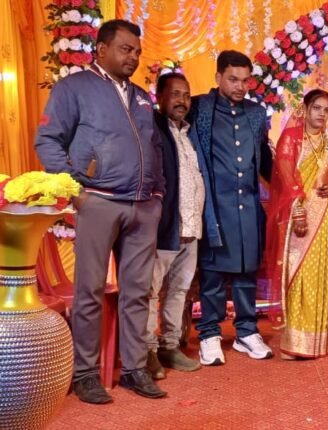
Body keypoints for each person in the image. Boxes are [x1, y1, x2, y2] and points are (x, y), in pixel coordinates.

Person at [35, 19, 166, 403]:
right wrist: (75, 191)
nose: (133, 57)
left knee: (137, 292)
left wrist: (157, 194)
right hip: (98, 201)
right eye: (126, 49)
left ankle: (135, 369)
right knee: (89, 290)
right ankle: (86, 373)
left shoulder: (141, 97)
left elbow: (155, 148)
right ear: (102, 49)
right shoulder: (74, 88)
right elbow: (48, 140)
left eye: (137, 51)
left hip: (143, 206)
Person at [190, 50, 273, 366]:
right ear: (218, 78)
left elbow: (264, 158)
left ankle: (246, 332)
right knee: (212, 275)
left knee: (246, 273)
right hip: (215, 206)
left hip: (248, 207)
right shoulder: (200, 107)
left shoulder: (256, 113)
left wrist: (292, 185)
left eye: (245, 80)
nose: (240, 87)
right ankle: (209, 334)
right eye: (233, 79)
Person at [265, 89, 328, 359]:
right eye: (316, 108)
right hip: (297, 215)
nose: (321, 114)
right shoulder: (291, 138)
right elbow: (286, 177)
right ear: (306, 109)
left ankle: (319, 342)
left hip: (325, 217)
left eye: (326, 109)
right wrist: (298, 210)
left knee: (322, 274)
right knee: (298, 273)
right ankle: (296, 342)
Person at [145, 72, 203, 380]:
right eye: (176, 94)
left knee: (179, 289)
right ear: (160, 97)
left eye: (186, 95)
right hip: (163, 227)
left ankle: (170, 345)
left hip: (191, 227)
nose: (182, 101)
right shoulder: (152, 129)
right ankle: (147, 351)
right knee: (151, 291)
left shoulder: (189, 133)